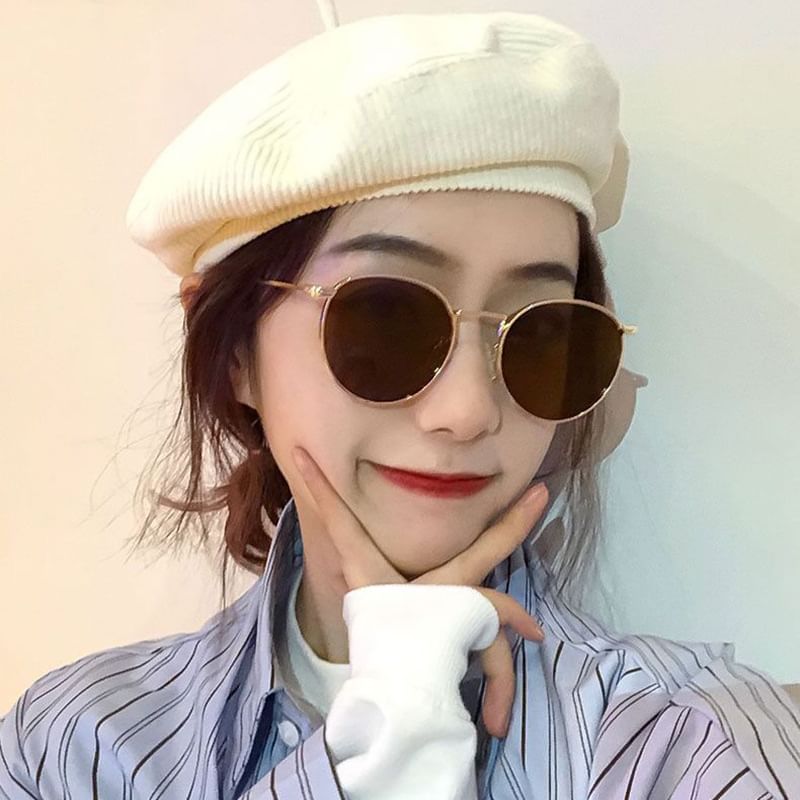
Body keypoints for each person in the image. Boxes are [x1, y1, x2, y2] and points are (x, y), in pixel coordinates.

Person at [2, 6, 798, 799]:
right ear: (236, 353)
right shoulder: (70, 748)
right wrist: (393, 735)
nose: (468, 410)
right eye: (385, 319)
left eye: (540, 335)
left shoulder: (691, 741)